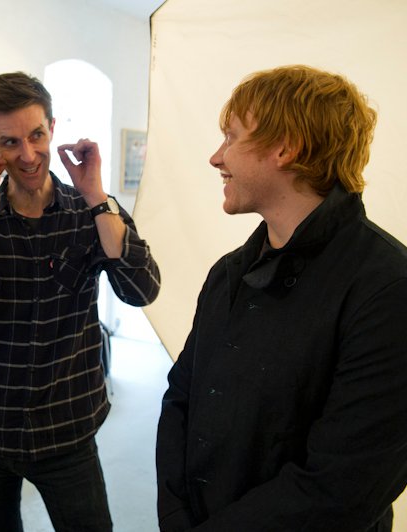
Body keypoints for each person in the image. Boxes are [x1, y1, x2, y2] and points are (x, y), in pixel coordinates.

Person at [156, 65, 407, 531]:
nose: (216, 157)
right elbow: (181, 397)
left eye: (231, 137)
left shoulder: (387, 286)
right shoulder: (228, 273)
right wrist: (173, 515)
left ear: (285, 147)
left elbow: (344, 485)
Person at [0, 71, 161, 531]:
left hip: (68, 428)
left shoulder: (91, 210)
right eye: (10, 142)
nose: (27, 154)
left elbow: (141, 289)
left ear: (53, 128)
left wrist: (95, 193)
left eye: (36, 135)